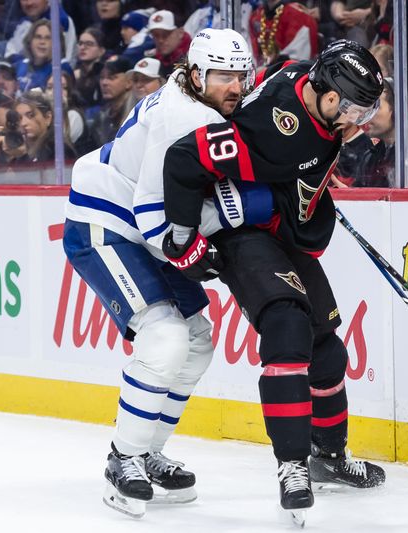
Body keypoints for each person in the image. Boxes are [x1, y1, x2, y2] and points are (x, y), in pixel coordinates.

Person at [161, 39, 387, 523]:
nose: (352, 122)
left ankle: (329, 456)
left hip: (285, 231)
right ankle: (292, 466)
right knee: (287, 329)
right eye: (347, 109)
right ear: (325, 92)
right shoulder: (271, 127)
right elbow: (183, 160)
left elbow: (293, 89)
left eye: (361, 114)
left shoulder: (306, 78)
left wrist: (305, 191)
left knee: (328, 351)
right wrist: (182, 239)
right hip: (247, 236)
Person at [62, 28, 255, 519]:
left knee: (197, 340)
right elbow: (154, 213)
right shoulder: (181, 118)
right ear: (196, 75)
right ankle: (122, 458)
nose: (234, 86)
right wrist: (194, 252)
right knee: (166, 336)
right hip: (105, 223)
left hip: (139, 227)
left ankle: (147, 450)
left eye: (240, 75)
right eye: (222, 76)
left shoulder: (205, 104)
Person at [249, 0, 319, 66]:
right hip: (259, 71)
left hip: (289, 74)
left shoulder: (300, 17)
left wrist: (267, 69)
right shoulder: (255, 16)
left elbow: (297, 60)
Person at [88, 56, 136, 149]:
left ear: (129, 82)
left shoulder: (136, 114)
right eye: (102, 77)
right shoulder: (101, 117)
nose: (104, 83)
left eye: (112, 78)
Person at [14, 19, 73, 92]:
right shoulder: (19, 65)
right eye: (38, 37)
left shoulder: (61, 67)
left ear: (58, 43)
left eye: (48, 38)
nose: (42, 42)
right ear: (30, 41)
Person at [147, 10, 192, 78]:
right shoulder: (150, 59)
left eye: (166, 34)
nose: (160, 40)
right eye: (156, 35)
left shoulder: (193, 57)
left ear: (180, 32)